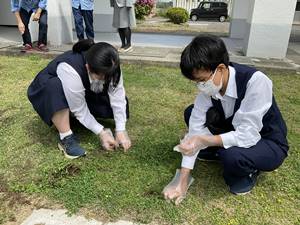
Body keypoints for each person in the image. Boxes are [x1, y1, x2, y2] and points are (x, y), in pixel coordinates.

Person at [163, 35, 288, 203]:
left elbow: (247, 135)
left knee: (231, 156)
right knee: (191, 112)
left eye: (202, 80)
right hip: (235, 130)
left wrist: (203, 140)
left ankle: (250, 171)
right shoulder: (211, 86)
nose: (200, 86)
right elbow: (195, 131)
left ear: (220, 68)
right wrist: (183, 181)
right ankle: (217, 151)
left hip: (266, 140)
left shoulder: (256, 81)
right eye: (196, 82)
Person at [27, 39, 132, 159]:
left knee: (112, 103)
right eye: (101, 77)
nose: (106, 80)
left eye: (108, 76)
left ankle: (70, 115)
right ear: (88, 67)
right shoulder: (69, 68)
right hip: (49, 90)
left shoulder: (112, 65)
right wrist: (102, 132)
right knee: (54, 86)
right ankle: (65, 136)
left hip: (79, 91)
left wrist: (121, 130)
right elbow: (79, 109)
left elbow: (118, 97)